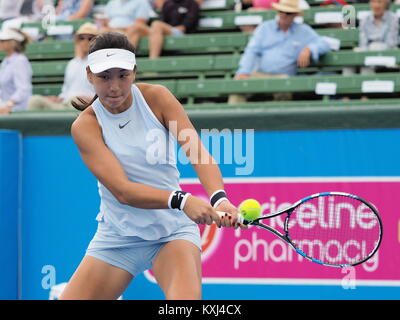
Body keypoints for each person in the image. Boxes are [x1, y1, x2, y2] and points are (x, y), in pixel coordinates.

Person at [59, 32, 246, 300]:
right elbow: (124, 191)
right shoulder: (85, 126)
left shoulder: (157, 97)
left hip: (172, 233)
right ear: (89, 75)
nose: (114, 87)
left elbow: (197, 152)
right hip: (117, 237)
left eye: (122, 75)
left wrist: (220, 199)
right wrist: (183, 200)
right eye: (104, 77)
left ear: (134, 72)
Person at [228, 0, 331, 104]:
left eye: (288, 13)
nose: (284, 15)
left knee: (284, 84)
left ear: (295, 15)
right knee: (238, 87)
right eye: (281, 11)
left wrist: (309, 49)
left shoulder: (303, 31)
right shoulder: (265, 28)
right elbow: (251, 51)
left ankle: (279, 119)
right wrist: (243, 72)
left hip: (284, 77)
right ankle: (231, 117)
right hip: (259, 74)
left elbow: (324, 43)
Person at [28, 22, 97, 111]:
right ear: (77, 41)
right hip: (66, 103)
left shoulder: (98, 62)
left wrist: (91, 99)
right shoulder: (72, 63)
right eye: (81, 38)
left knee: (75, 100)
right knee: (34, 101)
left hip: (86, 105)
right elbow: (66, 90)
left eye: (90, 38)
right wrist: (58, 98)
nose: (85, 41)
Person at [126, 0, 200, 59]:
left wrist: (180, 27)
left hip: (180, 34)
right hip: (163, 31)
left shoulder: (192, 3)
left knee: (156, 25)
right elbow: (162, 20)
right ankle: (126, 61)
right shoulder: (167, 4)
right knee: (136, 27)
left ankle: (152, 61)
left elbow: (186, 25)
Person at [0, 28, 32, 115]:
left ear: (12, 42)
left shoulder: (20, 61)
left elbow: (23, 89)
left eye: (3, 40)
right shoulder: (5, 61)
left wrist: (9, 105)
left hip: (16, 109)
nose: (0, 42)